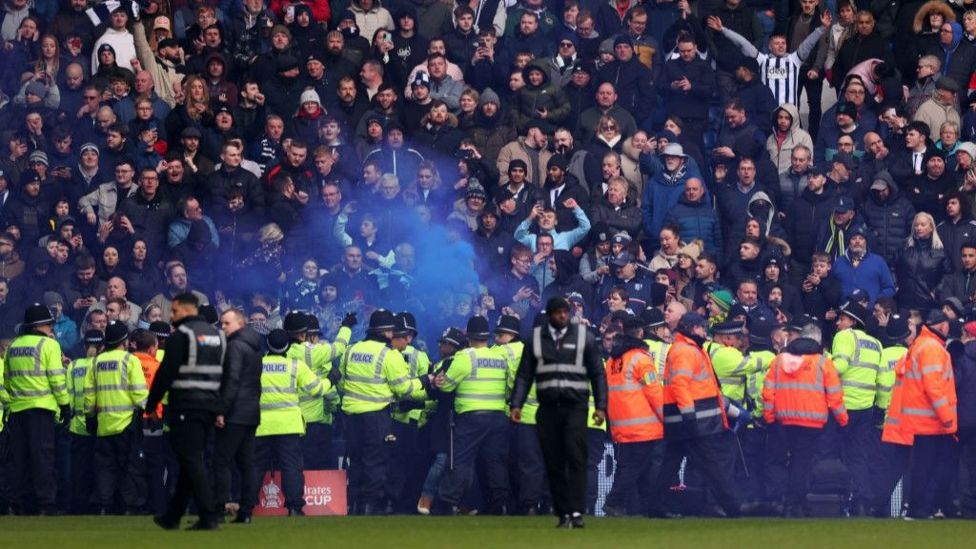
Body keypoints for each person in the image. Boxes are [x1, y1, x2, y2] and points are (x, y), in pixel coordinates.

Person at [510, 297, 607, 528]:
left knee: (573, 460)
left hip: (574, 409)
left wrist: (602, 406)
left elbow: (597, 375)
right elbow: (524, 375)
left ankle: (575, 510)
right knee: (553, 462)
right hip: (547, 410)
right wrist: (517, 403)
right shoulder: (535, 343)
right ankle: (560, 509)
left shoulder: (583, 340)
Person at [339, 309, 433, 515]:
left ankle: (354, 504)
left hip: (350, 416)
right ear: (387, 332)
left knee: (355, 460)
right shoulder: (389, 355)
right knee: (375, 461)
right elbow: (403, 388)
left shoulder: (351, 350)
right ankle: (368, 506)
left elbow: (342, 380)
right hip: (376, 416)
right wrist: (426, 380)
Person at [146, 293, 226, 530]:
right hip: (210, 405)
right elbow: (227, 374)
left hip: (187, 405)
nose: (172, 316)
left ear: (187, 309)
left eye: (174, 311)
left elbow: (166, 373)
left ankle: (208, 515)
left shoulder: (182, 336)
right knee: (189, 461)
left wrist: (152, 406)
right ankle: (173, 515)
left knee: (191, 459)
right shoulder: (218, 336)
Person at [651, 312, 741, 519]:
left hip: (682, 419)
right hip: (694, 421)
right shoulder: (686, 350)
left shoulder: (686, 349)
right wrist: (689, 415)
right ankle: (732, 507)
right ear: (692, 328)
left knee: (670, 464)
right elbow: (681, 385)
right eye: (702, 327)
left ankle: (655, 506)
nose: (705, 332)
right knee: (713, 465)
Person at [763, 322, 848, 517]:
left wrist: (769, 417)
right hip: (812, 422)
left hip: (783, 421)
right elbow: (835, 396)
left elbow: (768, 392)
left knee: (780, 461)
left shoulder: (779, 360)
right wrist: (843, 420)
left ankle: (784, 501)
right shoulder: (823, 362)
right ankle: (795, 504)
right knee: (802, 463)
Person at [883, 310, 957, 519]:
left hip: (919, 418)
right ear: (942, 326)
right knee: (928, 466)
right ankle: (921, 508)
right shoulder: (932, 348)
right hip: (930, 420)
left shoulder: (921, 346)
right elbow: (934, 387)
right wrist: (947, 417)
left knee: (922, 466)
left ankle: (920, 507)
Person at [435, 315, 511, 515]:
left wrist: (440, 380)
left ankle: (449, 502)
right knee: (495, 462)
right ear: (487, 336)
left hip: (472, 417)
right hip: (498, 416)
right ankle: (501, 504)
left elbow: (446, 386)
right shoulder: (499, 357)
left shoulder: (465, 357)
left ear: (468, 335)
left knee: (459, 460)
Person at [3, 303, 69, 515]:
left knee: (17, 460)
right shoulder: (49, 345)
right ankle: (45, 504)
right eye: (49, 324)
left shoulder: (13, 347)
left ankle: (14, 504)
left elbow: (7, 380)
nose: (51, 328)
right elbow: (57, 380)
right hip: (41, 410)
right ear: (40, 325)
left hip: (17, 410)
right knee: (43, 457)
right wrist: (64, 405)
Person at [255, 328, 327, 516]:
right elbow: (317, 390)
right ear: (287, 346)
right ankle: (294, 507)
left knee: (255, 466)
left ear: (267, 345)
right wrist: (330, 380)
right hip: (289, 425)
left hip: (261, 425)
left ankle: (247, 506)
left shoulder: (256, 365)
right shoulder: (296, 366)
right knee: (291, 467)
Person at [602, 316, 664, 517]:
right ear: (640, 333)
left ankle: (647, 509)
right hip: (643, 426)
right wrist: (667, 418)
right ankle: (613, 501)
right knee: (634, 468)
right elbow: (654, 392)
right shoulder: (641, 358)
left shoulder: (612, 361)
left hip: (620, 425)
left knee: (635, 468)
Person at [84, 321, 148, 515]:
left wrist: (89, 416)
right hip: (126, 423)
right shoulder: (130, 360)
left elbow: (89, 394)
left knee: (105, 468)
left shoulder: (96, 362)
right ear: (125, 341)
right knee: (130, 466)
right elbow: (138, 393)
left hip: (104, 424)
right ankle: (130, 506)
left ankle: (104, 505)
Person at [831, 300, 883, 516]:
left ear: (852, 321)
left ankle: (837, 499)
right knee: (858, 456)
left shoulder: (845, 336)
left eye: (841, 319)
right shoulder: (876, 343)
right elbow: (879, 378)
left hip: (843, 405)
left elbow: (839, 367)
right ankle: (862, 500)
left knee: (835, 454)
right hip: (866, 408)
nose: (837, 323)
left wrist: (820, 364)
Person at [213, 309, 263, 524]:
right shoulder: (255, 347)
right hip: (251, 411)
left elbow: (232, 380)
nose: (222, 327)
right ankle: (246, 511)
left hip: (234, 412)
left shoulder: (234, 346)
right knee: (247, 463)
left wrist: (222, 410)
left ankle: (218, 508)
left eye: (226, 323)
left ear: (240, 324)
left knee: (221, 461)